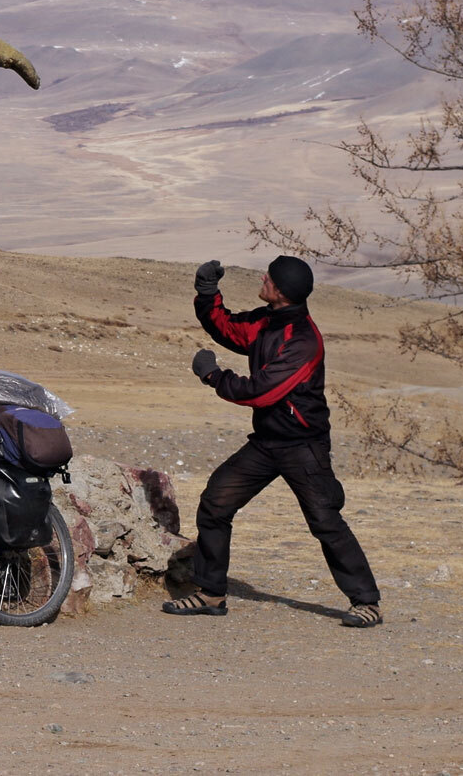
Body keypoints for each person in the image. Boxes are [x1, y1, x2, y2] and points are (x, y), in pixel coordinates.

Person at [161, 256, 382, 627]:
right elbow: (227, 327)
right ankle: (211, 593)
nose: (263, 278)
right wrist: (206, 291)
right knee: (216, 503)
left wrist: (213, 376)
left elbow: (261, 393)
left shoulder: (303, 342)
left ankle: (367, 602)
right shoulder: (267, 321)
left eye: (269, 277)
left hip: (303, 446)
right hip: (267, 443)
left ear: (279, 291)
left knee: (325, 521)